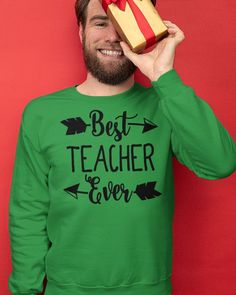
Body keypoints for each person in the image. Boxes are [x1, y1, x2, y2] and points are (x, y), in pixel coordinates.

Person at [8, 0, 236, 294]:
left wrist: (164, 77)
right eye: (101, 23)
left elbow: (220, 162)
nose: (113, 37)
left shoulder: (167, 104)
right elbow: (28, 213)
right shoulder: (41, 114)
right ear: (81, 30)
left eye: (124, 26)